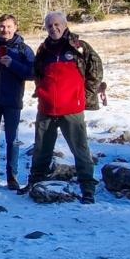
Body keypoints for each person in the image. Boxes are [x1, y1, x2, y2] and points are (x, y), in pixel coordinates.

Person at [26, 11, 104, 204]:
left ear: (65, 25)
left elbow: (95, 71)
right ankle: (36, 182)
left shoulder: (79, 47)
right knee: (41, 149)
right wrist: (41, 92)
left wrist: (84, 97)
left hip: (72, 109)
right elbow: (38, 74)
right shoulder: (43, 50)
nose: (54, 29)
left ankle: (87, 188)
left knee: (80, 150)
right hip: (46, 108)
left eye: (57, 24)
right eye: (49, 26)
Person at [0, 14, 35, 189]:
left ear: (15, 27)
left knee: (12, 139)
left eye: (8, 26)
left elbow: (32, 73)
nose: (5, 30)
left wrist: (12, 64)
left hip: (12, 100)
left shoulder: (23, 50)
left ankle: (12, 177)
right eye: (2, 26)